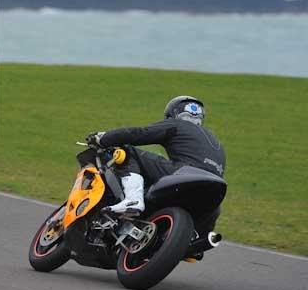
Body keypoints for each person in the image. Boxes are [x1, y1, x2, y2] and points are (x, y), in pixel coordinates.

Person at [87, 95, 226, 233]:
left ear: (173, 114)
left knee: (128, 151)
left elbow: (139, 133)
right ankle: (194, 248)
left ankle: (133, 200)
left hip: (186, 173)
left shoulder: (177, 124)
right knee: (203, 229)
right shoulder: (217, 143)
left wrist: (103, 138)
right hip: (214, 193)